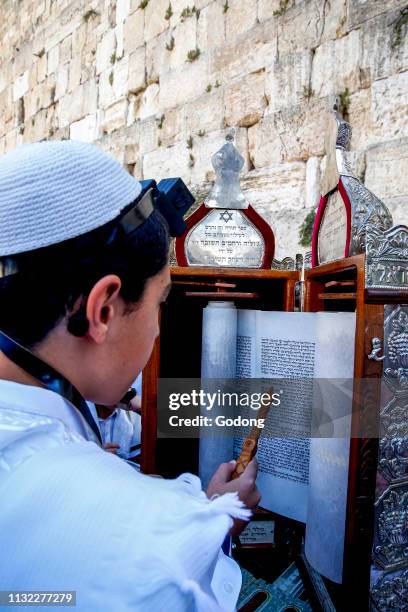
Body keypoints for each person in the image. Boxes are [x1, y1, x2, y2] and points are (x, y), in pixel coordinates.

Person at [0, 140, 260, 611]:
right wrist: (209, 522)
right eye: (162, 301)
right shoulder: (145, 547)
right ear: (102, 309)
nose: (159, 328)